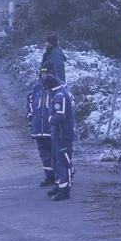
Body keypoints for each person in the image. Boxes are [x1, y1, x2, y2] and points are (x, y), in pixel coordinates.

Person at [42, 70, 75, 201]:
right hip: (58, 134)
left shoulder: (59, 96)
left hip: (63, 135)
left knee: (62, 162)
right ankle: (59, 185)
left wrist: (49, 119)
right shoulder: (57, 93)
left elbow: (59, 115)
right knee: (56, 161)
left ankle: (64, 190)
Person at [26, 66, 55, 187]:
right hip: (39, 129)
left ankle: (64, 176)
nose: (44, 76)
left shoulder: (58, 88)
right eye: (42, 74)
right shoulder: (36, 88)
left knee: (57, 153)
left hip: (52, 129)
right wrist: (30, 120)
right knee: (44, 154)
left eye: (47, 74)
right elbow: (31, 105)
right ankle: (50, 176)